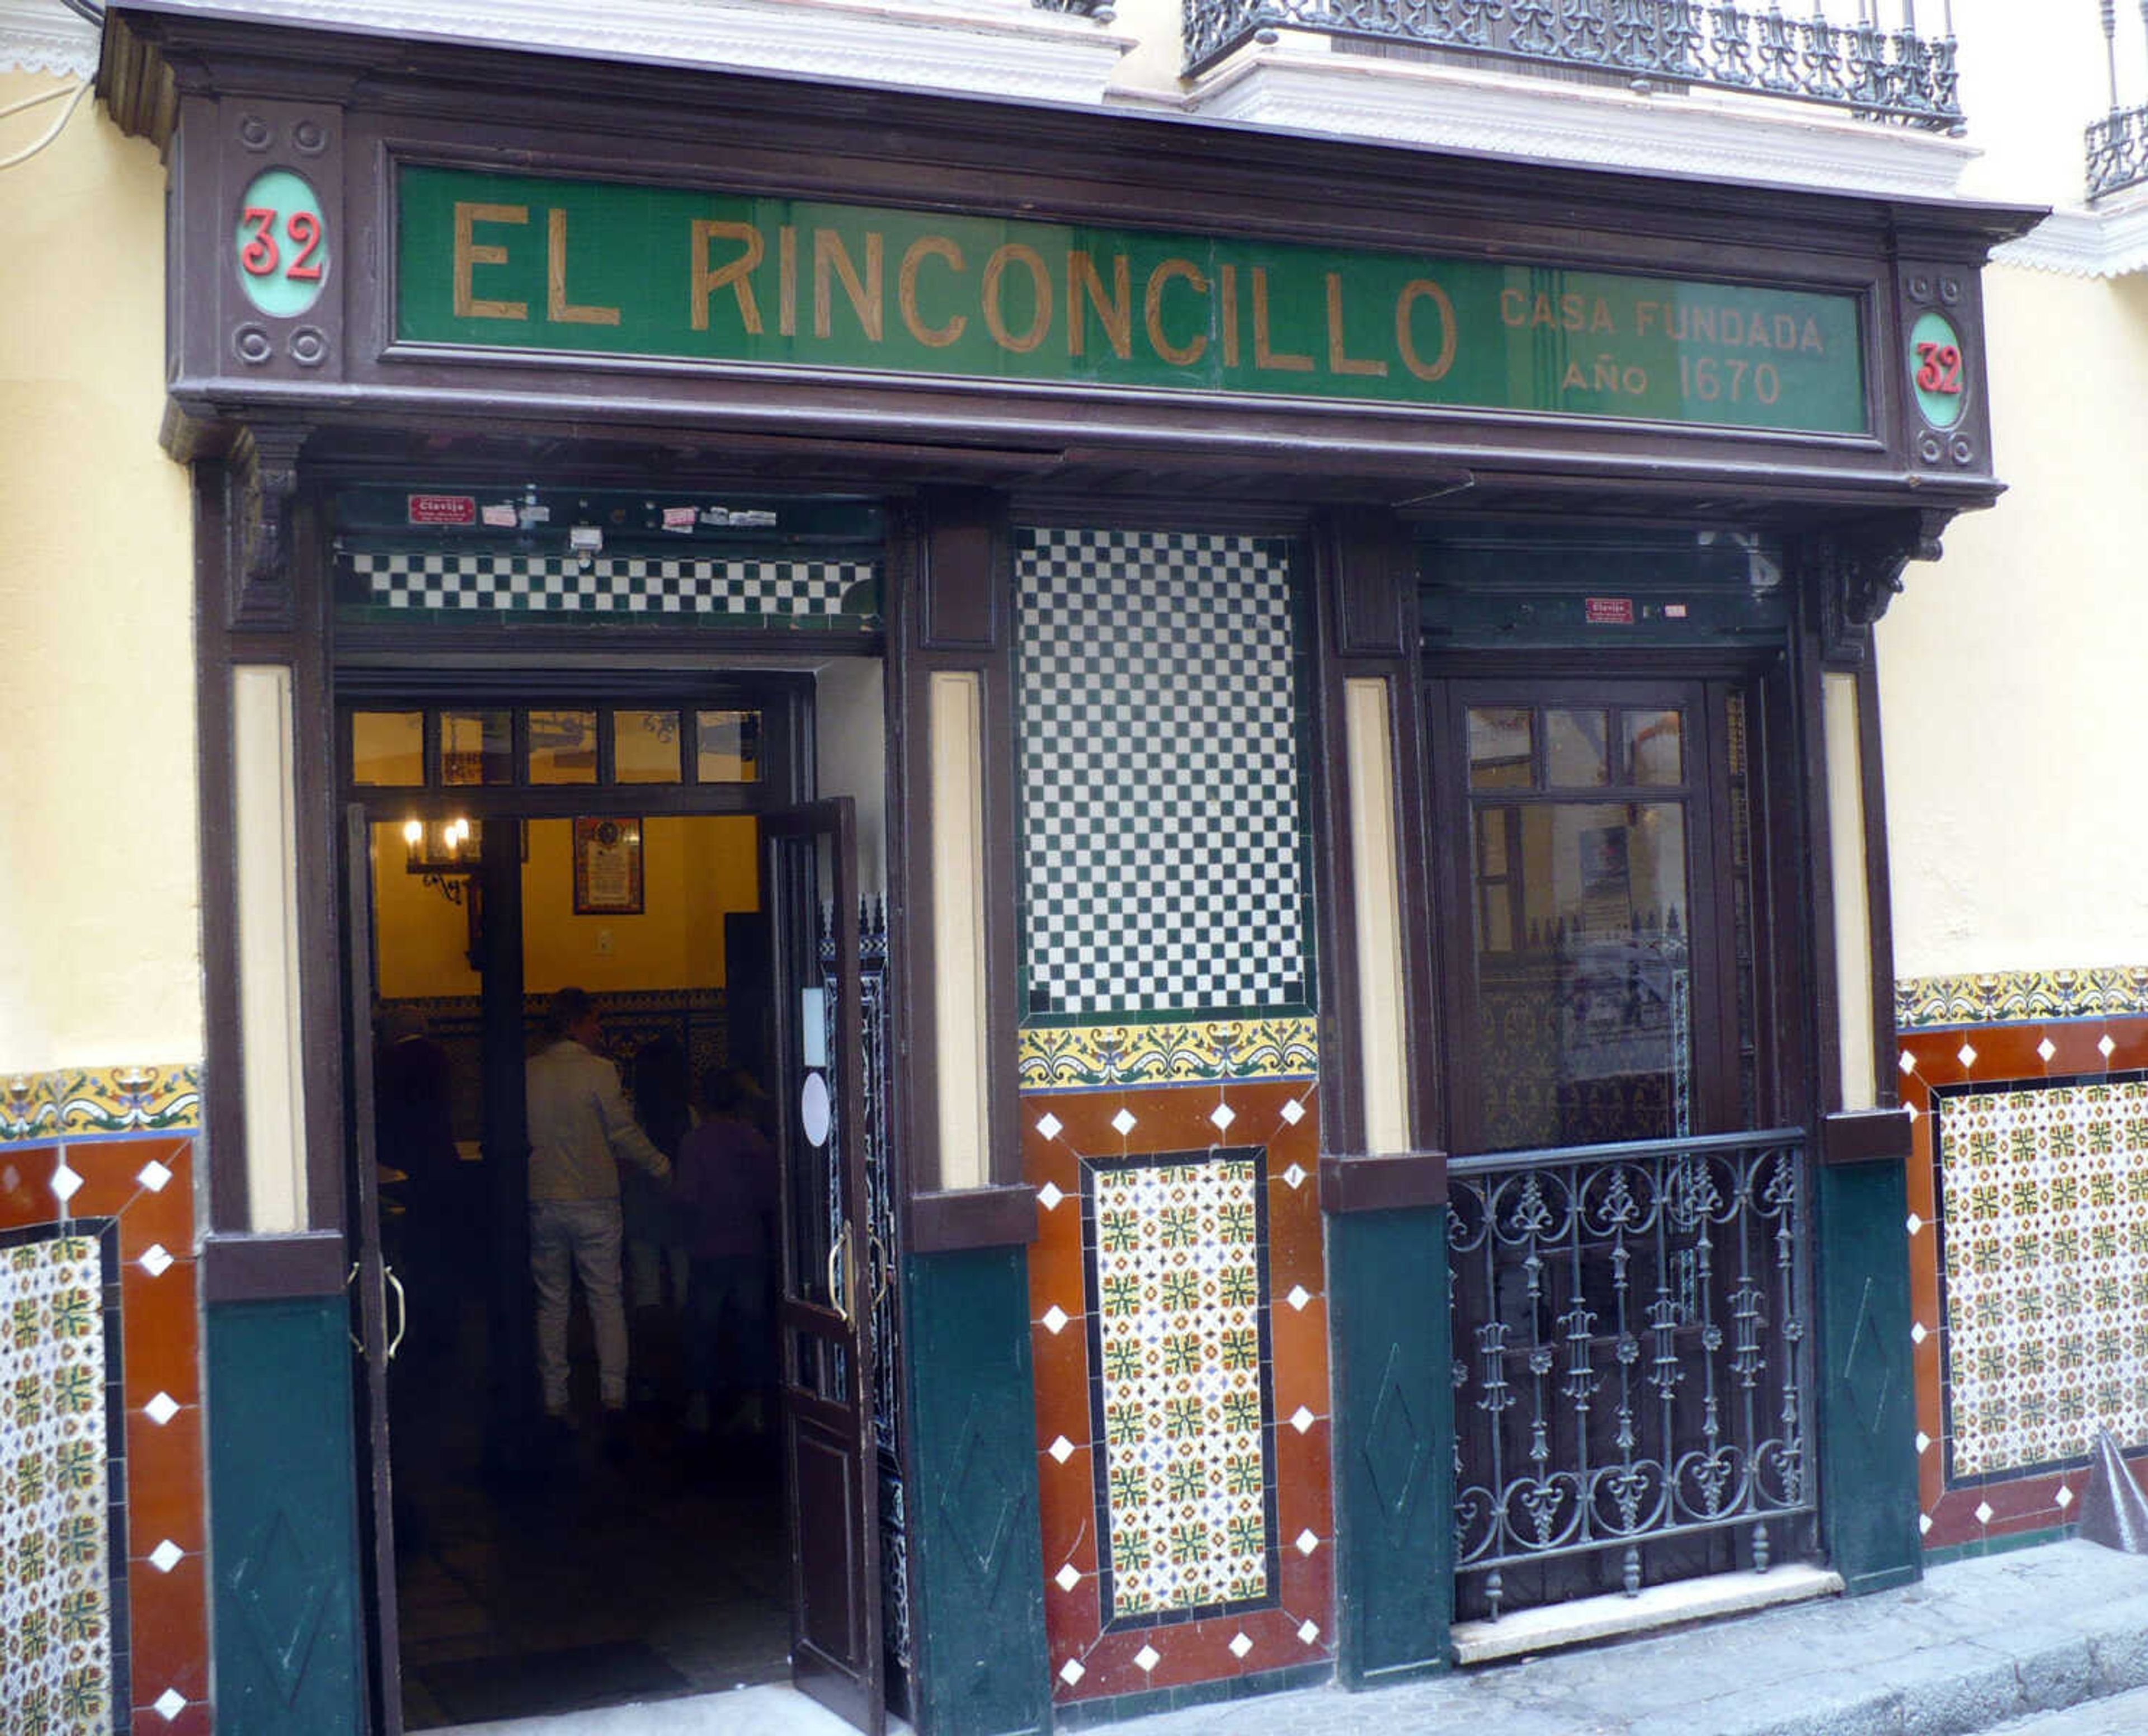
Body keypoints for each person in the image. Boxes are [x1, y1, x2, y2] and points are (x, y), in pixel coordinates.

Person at [524, 986, 671, 1430]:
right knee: (606, 1296)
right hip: (594, 1199)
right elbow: (623, 1132)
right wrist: (661, 1164)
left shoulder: (527, 1072)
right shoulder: (601, 1072)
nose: (599, 1030)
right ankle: (612, 1392)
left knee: (552, 1301)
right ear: (574, 1023)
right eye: (594, 1021)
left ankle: (554, 1395)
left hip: (544, 1197)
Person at [672, 1065, 779, 1437]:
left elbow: (685, 1195)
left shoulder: (694, 1142)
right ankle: (754, 1406)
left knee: (703, 1327)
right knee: (752, 1326)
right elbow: (769, 1195)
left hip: (708, 1246)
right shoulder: (754, 1139)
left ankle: (699, 1406)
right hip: (749, 1244)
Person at [373, 1006, 460, 1361]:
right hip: (441, 1162)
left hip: (403, 1167)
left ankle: (415, 1327)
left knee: (415, 1250)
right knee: (442, 1249)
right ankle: (444, 1328)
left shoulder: (387, 1062)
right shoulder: (440, 1058)